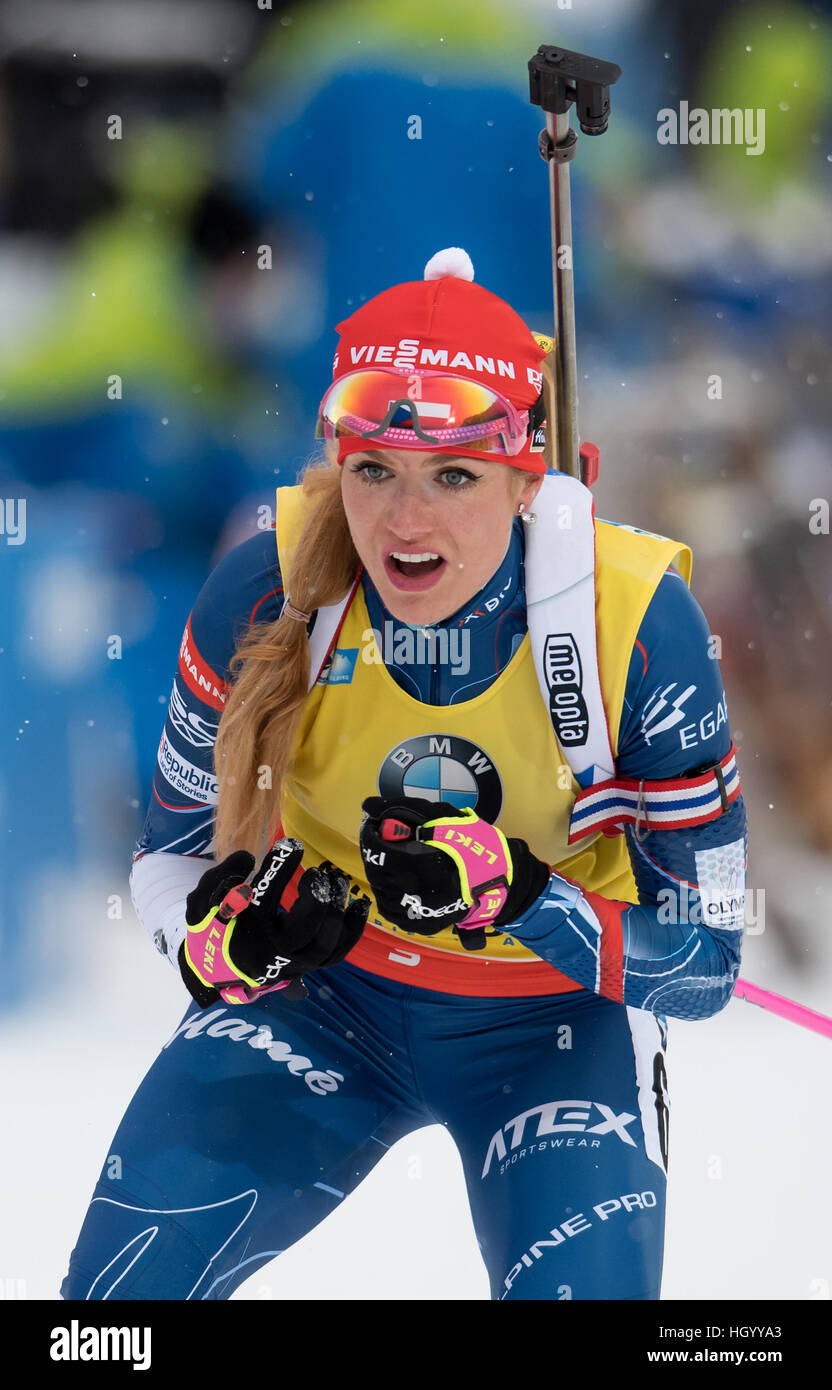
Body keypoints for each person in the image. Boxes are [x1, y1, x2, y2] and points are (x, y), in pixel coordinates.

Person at [62, 248, 747, 1302]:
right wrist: (222, 935)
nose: (404, 522)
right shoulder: (270, 584)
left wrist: (527, 897)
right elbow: (169, 856)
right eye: (374, 470)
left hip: (551, 1027)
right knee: (110, 1313)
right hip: (323, 1000)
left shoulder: (635, 624)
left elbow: (706, 960)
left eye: (454, 477)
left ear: (530, 480)